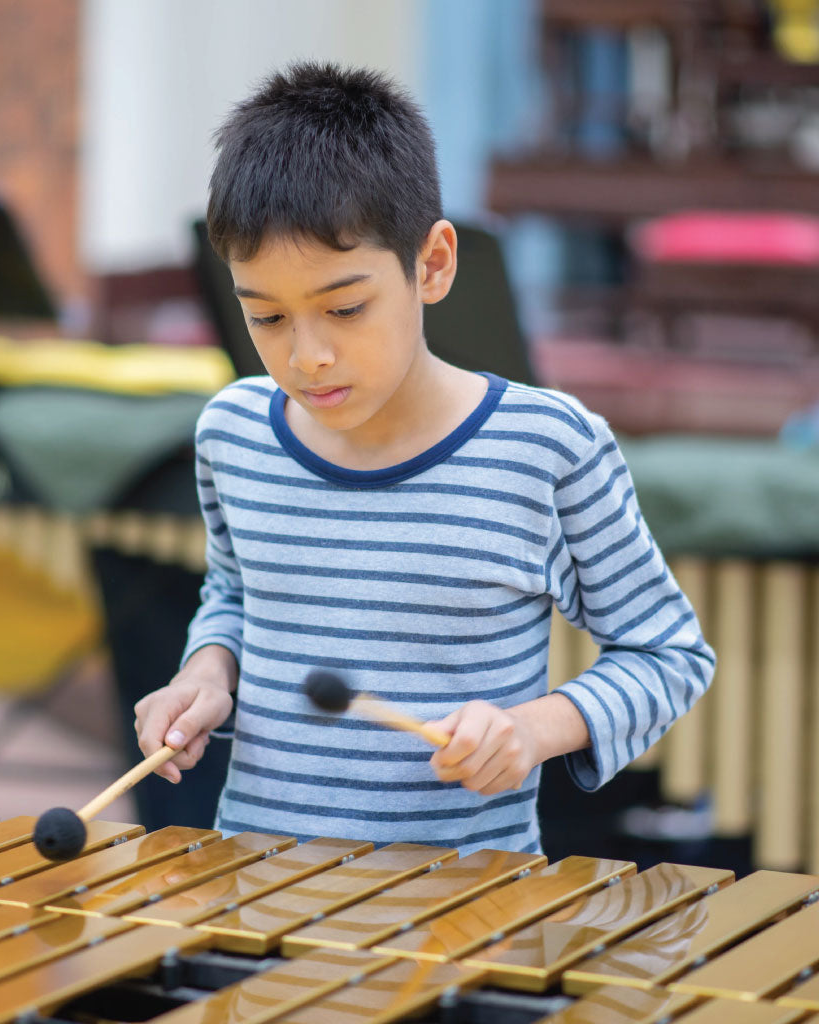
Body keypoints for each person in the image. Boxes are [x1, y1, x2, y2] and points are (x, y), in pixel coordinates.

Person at [134, 61, 715, 855]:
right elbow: (239, 590)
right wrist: (206, 672)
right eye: (266, 317)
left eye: (345, 308)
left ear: (433, 265)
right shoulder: (233, 433)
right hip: (259, 887)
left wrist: (531, 730)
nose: (309, 357)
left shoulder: (545, 449)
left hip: (458, 911)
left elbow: (668, 653)